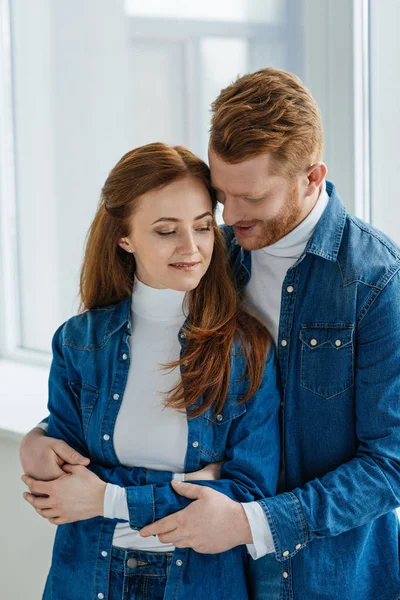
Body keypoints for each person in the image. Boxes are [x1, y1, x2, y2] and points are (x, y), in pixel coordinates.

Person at [21, 67, 400, 599]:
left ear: (312, 178)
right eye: (221, 195)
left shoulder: (375, 281)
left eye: (252, 197)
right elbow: (132, 382)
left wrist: (250, 520)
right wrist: (42, 438)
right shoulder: (213, 256)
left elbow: (390, 464)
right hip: (217, 573)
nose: (230, 218)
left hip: (328, 575)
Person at [19, 142, 281, 600]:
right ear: (125, 237)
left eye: (202, 227)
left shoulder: (246, 350)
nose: (191, 248)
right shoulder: (80, 343)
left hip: (201, 584)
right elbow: (62, 485)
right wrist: (198, 483)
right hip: (86, 579)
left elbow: (249, 493)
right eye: (166, 231)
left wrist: (107, 497)